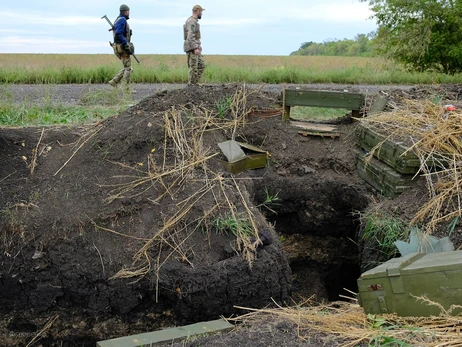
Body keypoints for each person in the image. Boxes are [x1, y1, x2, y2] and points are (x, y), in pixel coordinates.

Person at [108, 4, 135, 92]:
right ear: (126, 11)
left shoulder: (118, 20)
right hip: (122, 47)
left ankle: (114, 81)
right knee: (128, 68)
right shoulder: (122, 20)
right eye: (128, 11)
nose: (129, 13)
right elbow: (119, 33)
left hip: (118, 47)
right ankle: (126, 89)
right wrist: (126, 44)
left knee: (127, 66)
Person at [183, 5, 205, 85]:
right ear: (197, 11)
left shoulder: (194, 21)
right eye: (201, 12)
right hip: (192, 49)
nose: (201, 14)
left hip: (195, 47)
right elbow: (190, 36)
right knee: (193, 68)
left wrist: (198, 46)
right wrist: (195, 47)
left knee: (201, 65)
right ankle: (191, 85)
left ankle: (194, 84)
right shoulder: (191, 22)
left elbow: (195, 36)